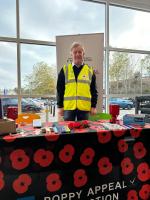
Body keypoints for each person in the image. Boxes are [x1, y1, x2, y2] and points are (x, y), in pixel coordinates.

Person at [57, 42, 98, 121]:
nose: (77, 54)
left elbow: (94, 91)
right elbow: (60, 89)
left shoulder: (90, 70)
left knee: (84, 132)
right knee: (68, 131)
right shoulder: (64, 70)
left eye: (80, 52)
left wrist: (93, 106)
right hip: (68, 108)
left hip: (84, 108)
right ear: (71, 54)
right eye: (75, 52)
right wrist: (60, 106)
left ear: (83, 54)